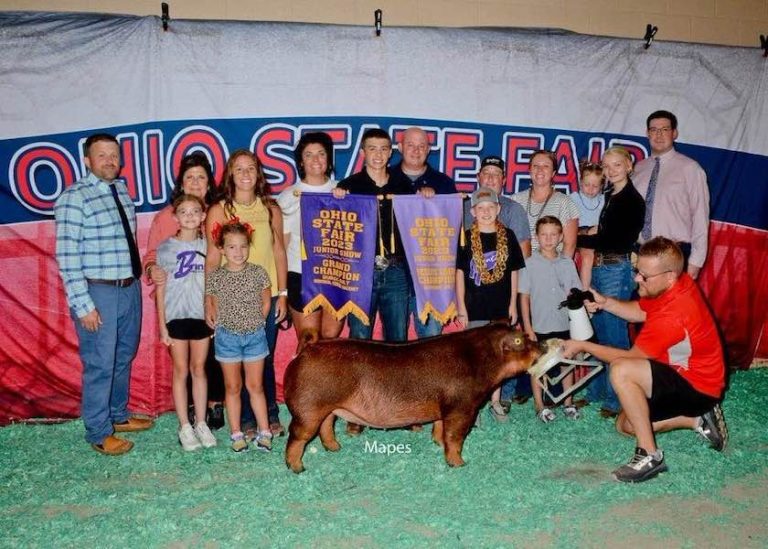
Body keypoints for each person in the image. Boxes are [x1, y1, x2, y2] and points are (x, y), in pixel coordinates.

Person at [562, 237, 727, 483]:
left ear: (669, 276)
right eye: (637, 270)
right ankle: (697, 419)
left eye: (644, 276)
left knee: (621, 370)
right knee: (625, 425)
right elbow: (641, 311)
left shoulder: (676, 311)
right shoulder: (675, 284)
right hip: (679, 373)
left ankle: (650, 456)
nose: (637, 279)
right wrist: (606, 302)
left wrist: (584, 346)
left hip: (698, 386)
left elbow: (629, 359)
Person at [54, 133, 153, 456]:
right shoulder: (74, 197)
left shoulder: (121, 190)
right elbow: (67, 256)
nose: (110, 160)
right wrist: (83, 305)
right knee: (100, 363)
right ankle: (98, 431)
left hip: (128, 287)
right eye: (101, 155)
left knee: (124, 355)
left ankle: (117, 415)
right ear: (87, 160)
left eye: (114, 154)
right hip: (98, 291)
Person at [205, 149, 288, 438]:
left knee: (263, 356)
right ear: (230, 174)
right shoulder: (219, 210)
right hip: (230, 298)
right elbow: (213, 259)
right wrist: (209, 298)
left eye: (250, 168)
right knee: (235, 361)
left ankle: (271, 415)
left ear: (258, 173)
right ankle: (246, 421)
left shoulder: (270, 208)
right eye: (238, 169)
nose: (245, 174)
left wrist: (284, 293)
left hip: (267, 295)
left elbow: (279, 250)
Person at [143, 152, 225, 430]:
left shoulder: (216, 213)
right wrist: (152, 269)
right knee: (183, 360)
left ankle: (214, 403)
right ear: (180, 184)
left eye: (201, 177)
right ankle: (188, 409)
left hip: (208, 295)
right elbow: (152, 255)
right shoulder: (166, 217)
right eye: (189, 177)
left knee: (212, 353)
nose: (195, 182)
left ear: (209, 184)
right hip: (177, 299)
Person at [575, 147, 645, 418]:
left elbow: (612, 240)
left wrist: (572, 238)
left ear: (629, 165)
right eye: (607, 166)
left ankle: (618, 398)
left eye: (617, 164)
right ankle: (597, 391)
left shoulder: (631, 200)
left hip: (616, 267)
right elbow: (602, 234)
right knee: (598, 331)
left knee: (614, 334)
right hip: (603, 267)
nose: (611, 170)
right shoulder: (610, 195)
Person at [456, 188, 525, 422]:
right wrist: (461, 307)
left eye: (490, 207)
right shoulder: (465, 237)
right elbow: (459, 273)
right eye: (480, 208)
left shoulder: (509, 236)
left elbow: (514, 272)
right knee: (474, 358)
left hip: (500, 306)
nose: (486, 212)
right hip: (474, 305)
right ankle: (472, 403)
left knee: (499, 356)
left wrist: (513, 304)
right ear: (473, 211)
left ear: (498, 209)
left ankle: (495, 401)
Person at [155, 194, 217, 451]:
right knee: (180, 370)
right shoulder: (166, 248)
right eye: (184, 211)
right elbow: (160, 289)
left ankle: (201, 422)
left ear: (203, 216)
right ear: (175, 217)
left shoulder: (209, 248)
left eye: (195, 211)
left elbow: (214, 285)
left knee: (199, 369)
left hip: (200, 316)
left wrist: (214, 316)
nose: (190, 216)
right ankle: (184, 425)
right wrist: (162, 325)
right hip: (176, 317)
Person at [205, 220, 273, 453]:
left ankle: (264, 431)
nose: (238, 252)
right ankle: (236, 432)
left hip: (254, 336)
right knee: (232, 387)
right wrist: (222, 324)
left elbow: (266, 302)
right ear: (221, 249)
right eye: (232, 247)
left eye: (243, 246)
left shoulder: (258, 273)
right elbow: (213, 305)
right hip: (227, 338)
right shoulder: (215, 277)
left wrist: (257, 323)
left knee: (255, 386)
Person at [391, 126, 457, 338]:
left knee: (431, 342)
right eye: (410, 145)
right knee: (394, 343)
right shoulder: (385, 179)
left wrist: (436, 202)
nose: (416, 150)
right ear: (400, 147)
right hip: (394, 272)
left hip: (433, 273)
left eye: (422, 146)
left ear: (429, 149)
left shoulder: (444, 183)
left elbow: (453, 231)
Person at [277, 132, 343, 343]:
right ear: (301, 161)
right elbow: (282, 246)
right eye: (309, 155)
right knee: (309, 340)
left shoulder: (343, 189)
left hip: (337, 274)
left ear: (328, 158)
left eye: (321, 154)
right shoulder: (288, 196)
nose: (316, 160)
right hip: (301, 273)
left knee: (330, 339)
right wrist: (283, 290)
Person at [519, 216, 582, 423]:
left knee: (566, 363)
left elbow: (576, 293)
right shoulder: (528, 264)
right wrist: (528, 326)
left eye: (553, 234)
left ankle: (568, 402)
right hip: (540, 324)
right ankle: (539, 405)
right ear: (537, 237)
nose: (548, 239)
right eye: (544, 235)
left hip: (564, 323)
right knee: (538, 365)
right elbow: (524, 297)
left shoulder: (567, 263)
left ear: (561, 237)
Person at [633, 110, 710, 279]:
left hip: (674, 254)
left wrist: (695, 263)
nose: (659, 134)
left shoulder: (691, 169)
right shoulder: (637, 169)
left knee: (672, 305)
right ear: (647, 133)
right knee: (640, 305)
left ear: (674, 133)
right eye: (654, 129)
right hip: (639, 254)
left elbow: (700, 216)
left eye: (665, 129)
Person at [511, 150, 579, 258]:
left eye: (546, 166)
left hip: (552, 268)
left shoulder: (565, 202)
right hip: (521, 268)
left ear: (553, 173)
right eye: (535, 166)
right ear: (529, 170)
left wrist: (560, 271)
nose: (540, 170)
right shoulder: (515, 199)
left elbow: (569, 245)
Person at [462, 156, 531, 258]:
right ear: (478, 177)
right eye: (486, 173)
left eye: (496, 174)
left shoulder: (513, 209)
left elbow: (524, 254)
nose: (490, 178)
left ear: (503, 180)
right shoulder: (462, 207)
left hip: (503, 271)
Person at [570, 160, 605, 289]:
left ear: (602, 185)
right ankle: (585, 289)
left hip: (598, 237)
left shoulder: (604, 200)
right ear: (580, 183)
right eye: (587, 185)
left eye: (595, 186)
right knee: (588, 256)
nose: (590, 189)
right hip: (580, 237)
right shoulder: (574, 198)